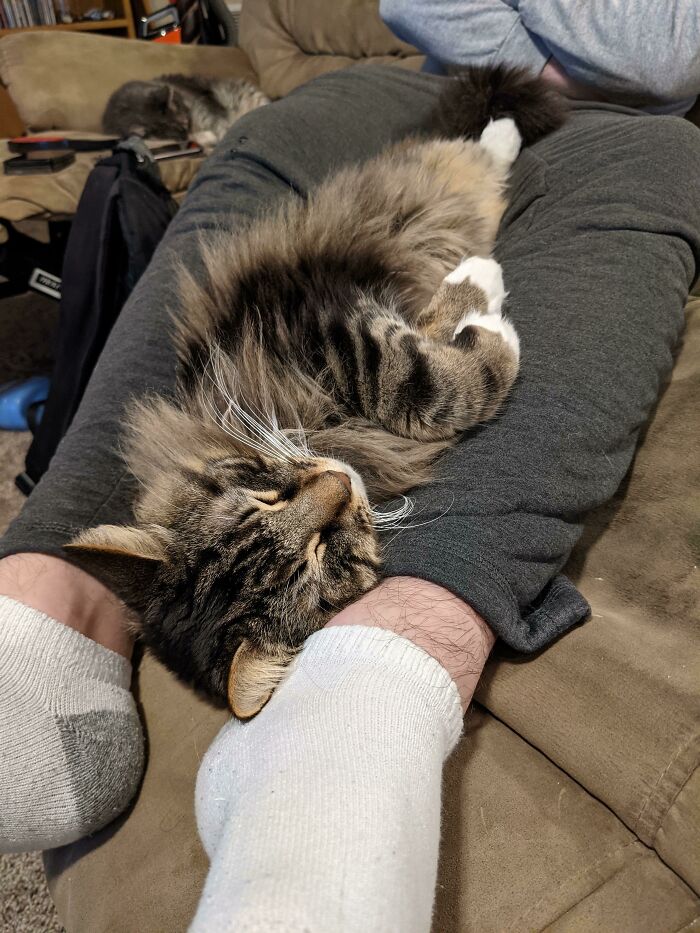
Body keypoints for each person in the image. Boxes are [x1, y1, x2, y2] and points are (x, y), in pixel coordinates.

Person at [1, 3, 699, 930]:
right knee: (255, 155)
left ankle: (382, 680)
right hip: (407, 74)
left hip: (632, 113)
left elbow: (665, 56)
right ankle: (55, 601)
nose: (331, 488)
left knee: (658, 175)